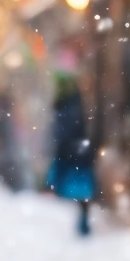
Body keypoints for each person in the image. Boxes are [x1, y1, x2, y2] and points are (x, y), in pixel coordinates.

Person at [46, 71, 97, 235]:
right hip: (78, 153)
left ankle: (83, 223)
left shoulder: (66, 107)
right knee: (82, 191)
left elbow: (64, 132)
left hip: (72, 154)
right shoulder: (76, 104)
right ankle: (83, 222)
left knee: (79, 190)